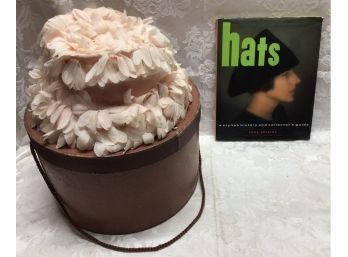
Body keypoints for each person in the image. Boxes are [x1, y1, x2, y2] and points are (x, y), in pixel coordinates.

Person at [229, 29, 301, 125]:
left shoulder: (278, 113)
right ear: (261, 80)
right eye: (285, 74)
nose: (297, 80)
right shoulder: (241, 129)